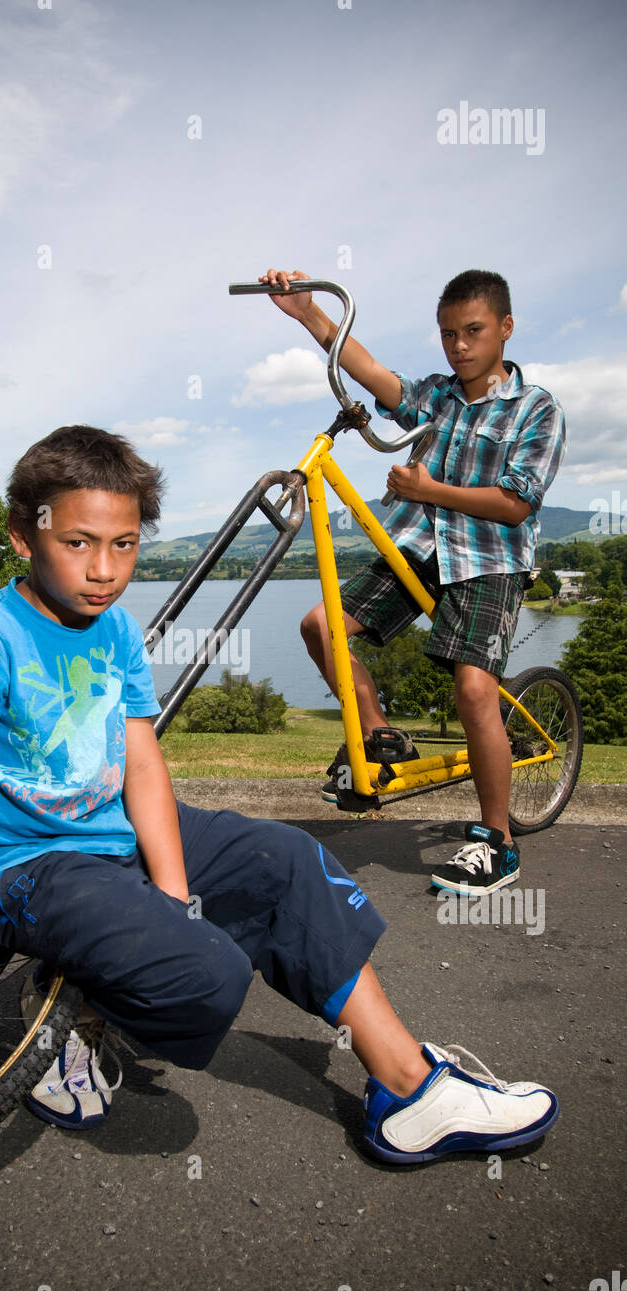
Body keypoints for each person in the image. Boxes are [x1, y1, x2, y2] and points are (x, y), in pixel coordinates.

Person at [0, 424, 559, 1162]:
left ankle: (410, 1091)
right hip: (32, 864)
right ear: (23, 537)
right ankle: (69, 1019)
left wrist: (174, 893)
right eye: (78, 542)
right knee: (206, 978)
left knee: (286, 858)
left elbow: (143, 767)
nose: (104, 570)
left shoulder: (113, 630)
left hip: (114, 827)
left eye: (124, 545)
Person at [260, 267, 567, 895]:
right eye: (449, 334)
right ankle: (378, 735)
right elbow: (372, 373)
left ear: (505, 329)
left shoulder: (536, 409)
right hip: (420, 547)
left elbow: (516, 505)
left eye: (473, 331)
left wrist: (431, 490)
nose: (459, 345)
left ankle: (496, 842)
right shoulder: (437, 396)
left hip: (490, 557)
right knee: (320, 626)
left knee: (476, 692)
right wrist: (310, 314)